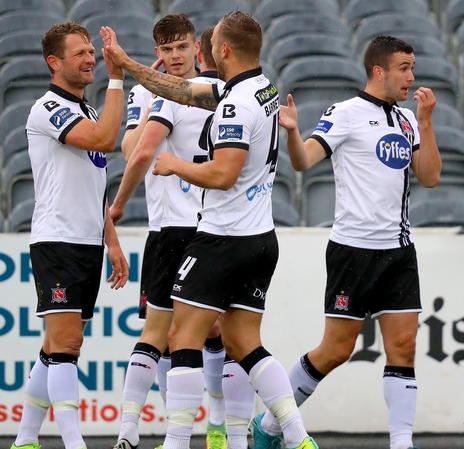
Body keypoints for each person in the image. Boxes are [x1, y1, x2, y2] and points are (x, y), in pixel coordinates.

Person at [100, 11, 319, 449]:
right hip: (261, 238)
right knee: (242, 342)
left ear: (223, 50)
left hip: (223, 238)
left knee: (181, 336)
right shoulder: (261, 89)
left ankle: (176, 442)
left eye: (210, 42)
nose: (205, 48)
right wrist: (126, 64)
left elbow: (222, 174)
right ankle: (298, 437)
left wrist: (175, 164)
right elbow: (181, 90)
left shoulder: (235, 104)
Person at [253, 35, 441, 449]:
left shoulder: (407, 120)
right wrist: (292, 132)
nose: (411, 77)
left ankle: (402, 443)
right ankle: (269, 424)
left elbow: (430, 177)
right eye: (404, 68)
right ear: (379, 71)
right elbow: (303, 161)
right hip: (352, 250)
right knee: (336, 349)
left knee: (404, 346)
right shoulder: (345, 113)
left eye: (412, 68)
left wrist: (425, 122)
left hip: (398, 250)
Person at [109, 24, 244, 449]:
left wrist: (116, 205)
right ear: (157, 51)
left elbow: (138, 153)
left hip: (200, 227)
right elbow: (131, 149)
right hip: (187, 226)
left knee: (193, 332)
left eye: (183, 47)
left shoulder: (203, 92)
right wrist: (154, 97)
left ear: (198, 49)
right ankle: (152, 429)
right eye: (167, 50)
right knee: (192, 334)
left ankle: (198, 428)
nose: (176, 56)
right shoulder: (220, 93)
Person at [10, 22, 129, 449]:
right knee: (67, 344)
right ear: (54, 62)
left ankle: (25, 439)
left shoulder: (90, 110)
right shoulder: (47, 108)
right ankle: (74, 443)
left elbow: (96, 184)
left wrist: (111, 239)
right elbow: (106, 140)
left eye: (91, 51)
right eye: (79, 52)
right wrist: (118, 79)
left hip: (87, 241)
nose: (90, 58)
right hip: (57, 239)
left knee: (54, 346)